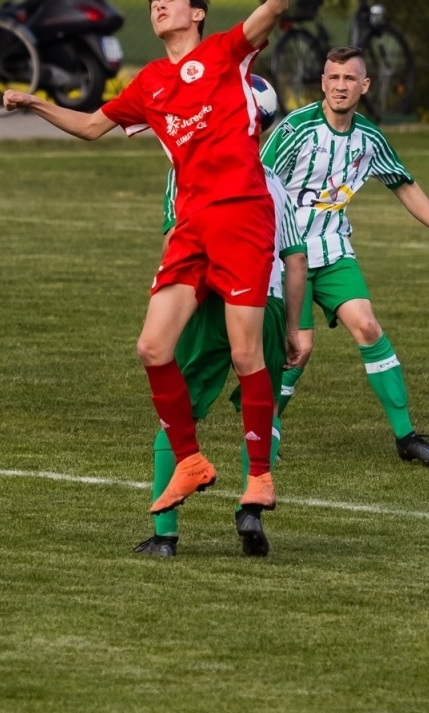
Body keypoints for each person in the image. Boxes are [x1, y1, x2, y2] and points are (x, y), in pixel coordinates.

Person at [5, 0, 291, 529]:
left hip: (243, 216)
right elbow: (88, 127)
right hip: (189, 225)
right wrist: (34, 105)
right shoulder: (149, 84)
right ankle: (190, 460)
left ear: (197, 14)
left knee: (246, 355)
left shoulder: (225, 53)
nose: (160, 5)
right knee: (151, 345)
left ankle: (261, 476)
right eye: (155, 0)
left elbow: (274, 4)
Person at [261, 46, 429, 466]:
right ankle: (262, 436)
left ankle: (405, 436)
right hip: (286, 256)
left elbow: (403, 183)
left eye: (349, 79)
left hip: (335, 249)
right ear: (323, 83)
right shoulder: (296, 130)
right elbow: (257, 181)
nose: (341, 86)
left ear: (365, 85)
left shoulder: (369, 137)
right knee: (298, 350)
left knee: (368, 327)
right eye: (333, 77)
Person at [133, 162, 310, 558]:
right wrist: (293, 328)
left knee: (181, 411)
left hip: (210, 298)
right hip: (268, 299)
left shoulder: (187, 167)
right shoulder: (273, 180)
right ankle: (251, 505)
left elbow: (173, 241)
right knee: (262, 403)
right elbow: (296, 261)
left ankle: (165, 536)